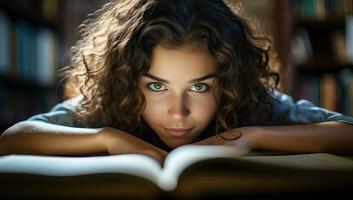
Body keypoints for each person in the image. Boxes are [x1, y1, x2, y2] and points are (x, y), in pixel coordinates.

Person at [0, 0, 352, 164]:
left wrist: (252, 136)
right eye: (156, 86)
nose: (178, 112)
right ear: (128, 80)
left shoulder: (248, 101)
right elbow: (11, 139)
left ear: (227, 81)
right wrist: (108, 138)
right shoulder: (111, 103)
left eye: (200, 86)